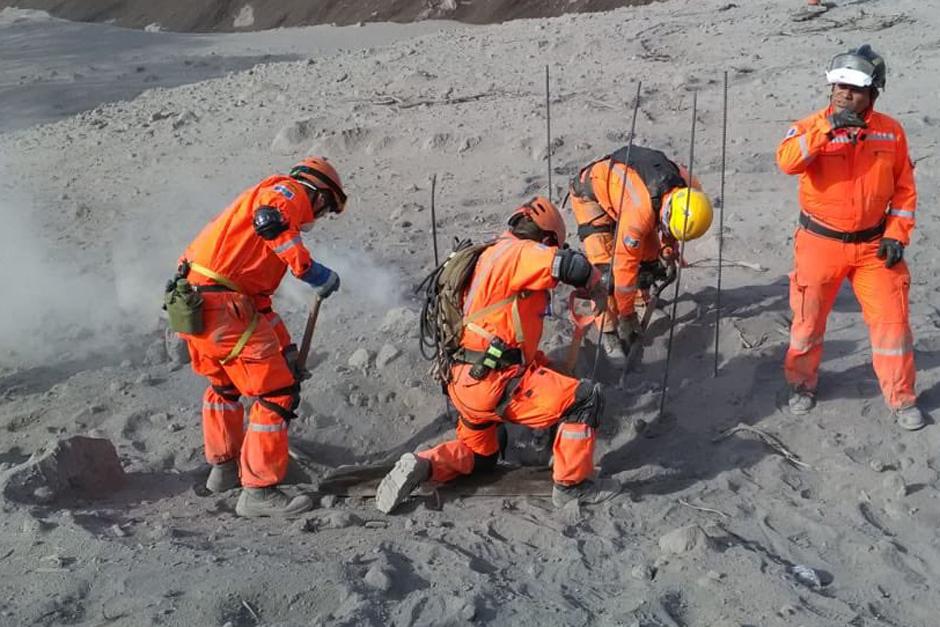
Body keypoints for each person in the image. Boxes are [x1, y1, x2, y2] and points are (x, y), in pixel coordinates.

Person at [375, 197, 619, 513]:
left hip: (463, 383)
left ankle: (425, 463)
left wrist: (546, 366)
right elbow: (571, 265)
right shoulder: (518, 252)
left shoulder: (484, 257)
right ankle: (572, 488)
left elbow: (502, 329)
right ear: (546, 237)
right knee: (586, 399)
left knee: (480, 457)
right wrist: (596, 285)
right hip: (496, 383)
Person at [173, 156, 347, 517]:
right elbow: (272, 219)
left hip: (195, 302)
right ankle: (259, 491)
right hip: (222, 307)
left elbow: (258, 308)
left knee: (225, 387)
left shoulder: (246, 216)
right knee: (278, 394)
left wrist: (285, 349)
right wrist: (311, 272)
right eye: (326, 207)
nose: (320, 215)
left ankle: (223, 471)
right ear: (319, 193)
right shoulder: (290, 192)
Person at [776, 45, 924, 430]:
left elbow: (905, 190)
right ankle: (801, 385)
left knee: (893, 325)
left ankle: (901, 397)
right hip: (819, 243)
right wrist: (829, 129)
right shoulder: (812, 125)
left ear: (873, 93)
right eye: (839, 86)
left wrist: (897, 233)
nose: (844, 93)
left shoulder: (891, 132)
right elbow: (787, 161)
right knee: (807, 321)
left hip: (876, 246)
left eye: (854, 89)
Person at [568, 146, 714, 366]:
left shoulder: (690, 190)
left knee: (649, 261)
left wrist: (667, 250)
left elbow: (671, 229)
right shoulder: (640, 212)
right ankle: (609, 331)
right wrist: (626, 317)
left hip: (629, 195)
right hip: (593, 194)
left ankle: (641, 302)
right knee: (606, 276)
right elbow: (623, 269)